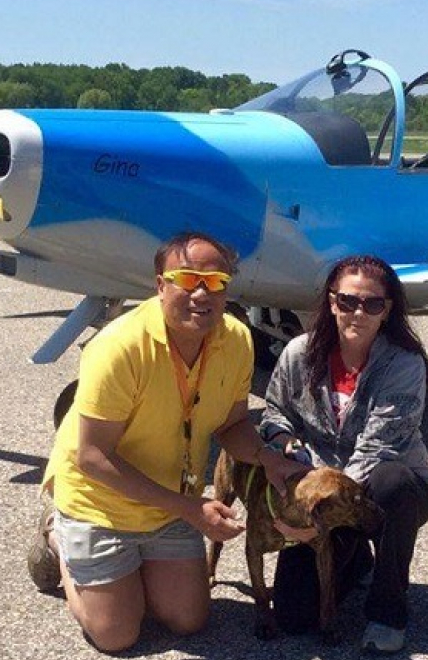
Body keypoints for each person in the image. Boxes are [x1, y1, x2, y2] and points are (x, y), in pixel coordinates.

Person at [26, 231, 305, 653]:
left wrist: (267, 458)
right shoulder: (119, 347)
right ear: (160, 285)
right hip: (100, 501)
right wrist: (190, 509)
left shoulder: (236, 339)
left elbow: (231, 426)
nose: (202, 293)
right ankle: (56, 532)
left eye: (216, 282)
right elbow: (92, 456)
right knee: (117, 636)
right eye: (187, 278)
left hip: (169, 503)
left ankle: (130, 571)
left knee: (188, 621)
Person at [260, 254, 428, 654]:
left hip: (384, 492)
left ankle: (388, 608)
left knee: (393, 482)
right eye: (347, 301)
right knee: (294, 618)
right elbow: (273, 413)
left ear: (387, 310)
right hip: (324, 497)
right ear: (331, 301)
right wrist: (284, 450)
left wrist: (315, 517)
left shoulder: (404, 365)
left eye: (373, 303)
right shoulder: (299, 353)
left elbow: (380, 447)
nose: (359, 312)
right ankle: (355, 561)